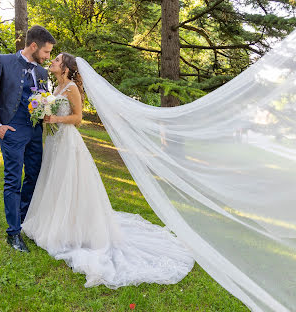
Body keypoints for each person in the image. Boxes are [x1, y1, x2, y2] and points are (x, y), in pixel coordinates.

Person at [22, 53, 194, 288]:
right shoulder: (56, 86)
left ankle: (71, 228)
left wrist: (54, 120)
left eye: (57, 60)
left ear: (65, 68)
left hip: (67, 141)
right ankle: (53, 222)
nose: (52, 61)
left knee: (68, 181)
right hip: (53, 141)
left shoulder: (71, 88)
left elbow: (78, 118)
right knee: (53, 180)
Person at [0, 26, 56, 252]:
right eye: (46, 52)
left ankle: (23, 220)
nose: (47, 57)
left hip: (34, 131)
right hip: (11, 130)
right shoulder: (3, 61)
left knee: (34, 175)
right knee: (13, 180)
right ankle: (13, 234)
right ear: (33, 46)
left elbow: (42, 98)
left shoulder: (41, 72)